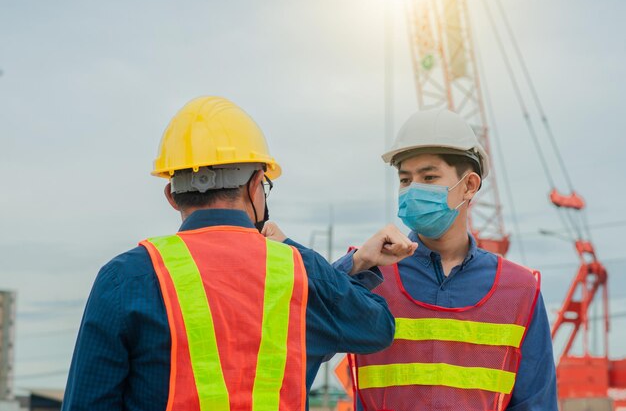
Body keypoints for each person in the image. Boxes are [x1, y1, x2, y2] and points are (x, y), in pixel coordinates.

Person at [61, 96, 417, 411]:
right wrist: (314, 255)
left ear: (171, 195)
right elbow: (377, 328)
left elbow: (88, 401)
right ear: (254, 184)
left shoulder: (125, 277)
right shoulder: (297, 270)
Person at [333, 109, 558, 411]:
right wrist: (355, 264)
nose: (413, 190)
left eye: (429, 177)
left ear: (469, 185)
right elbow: (300, 327)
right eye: (405, 179)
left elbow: (536, 403)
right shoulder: (369, 272)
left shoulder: (519, 288)